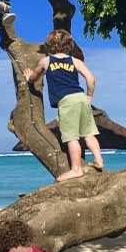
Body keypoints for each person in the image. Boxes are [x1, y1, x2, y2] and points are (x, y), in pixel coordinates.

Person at [23, 29, 104, 181]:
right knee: (89, 134)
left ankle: (76, 169)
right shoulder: (75, 61)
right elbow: (91, 78)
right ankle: (98, 160)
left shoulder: (46, 61)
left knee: (71, 138)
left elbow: (34, 77)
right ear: (69, 45)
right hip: (81, 98)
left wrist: (29, 78)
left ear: (49, 45)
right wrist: (89, 95)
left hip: (66, 102)